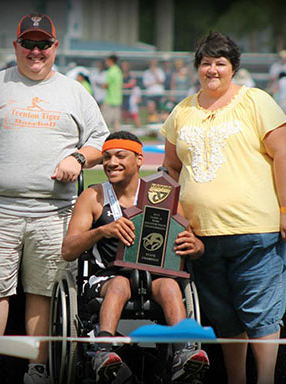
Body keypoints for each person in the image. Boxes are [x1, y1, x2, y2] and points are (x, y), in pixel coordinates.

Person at [0, 12, 109, 384]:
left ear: (55, 47)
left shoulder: (74, 91)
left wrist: (77, 158)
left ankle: (37, 370)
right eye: (29, 44)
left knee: (44, 291)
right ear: (16, 46)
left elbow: (100, 142)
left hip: (54, 213)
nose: (36, 51)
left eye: (43, 44)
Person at [160, 31, 286, 384]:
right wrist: (166, 217)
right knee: (224, 318)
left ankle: (265, 379)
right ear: (197, 68)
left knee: (262, 315)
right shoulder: (182, 111)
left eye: (220, 63)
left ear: (232, 67)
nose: (212, 70)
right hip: (200, 236)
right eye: (205, 63)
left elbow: (283, 152)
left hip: (256, 231)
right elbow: (170, 170)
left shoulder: (256, 101)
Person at [61, 131, 210, 383]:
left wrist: (196, 245)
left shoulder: (163, 195)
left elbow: (192, 243)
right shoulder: (94, 196)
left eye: (120, 156)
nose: (111, 163)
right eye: (106, 157)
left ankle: (183, 352)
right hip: (107, 276)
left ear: (139, 160)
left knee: (171, 286)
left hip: (152, 275)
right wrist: (102, 230)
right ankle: (102, 351)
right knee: (120, 284)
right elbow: (68, 250)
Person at [101, 54, 123, 133]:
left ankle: (105, 137)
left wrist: (99, 85)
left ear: (110, 61)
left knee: (105, 120)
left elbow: (106, 85)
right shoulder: (118, 71)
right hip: (117, 99)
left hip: (110, 99)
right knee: (116, 121)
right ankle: (118, 139)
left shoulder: (111, 71)